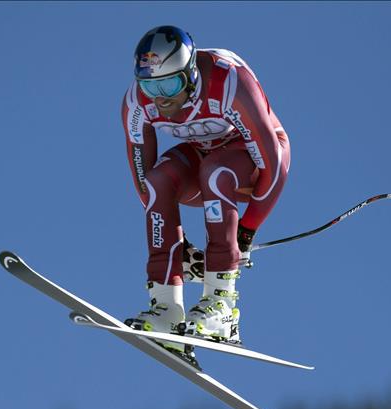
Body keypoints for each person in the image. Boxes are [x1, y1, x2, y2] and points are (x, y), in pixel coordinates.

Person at [121, 25, 290, 363]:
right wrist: (178, 245)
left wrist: (247, 230)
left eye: (168, 84)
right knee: (158, 181)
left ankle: (222, 306)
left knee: (216, 172)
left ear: (190, 75)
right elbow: (144, 181)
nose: (161, 98)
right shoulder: (138, 103)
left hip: (253, 163)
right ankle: (167, 307)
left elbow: (276, 165)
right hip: (204, 156)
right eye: (150, 86)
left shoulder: (228, 83)